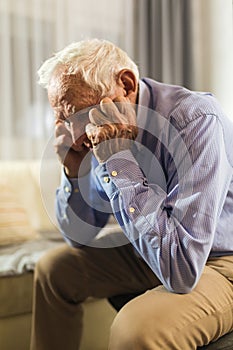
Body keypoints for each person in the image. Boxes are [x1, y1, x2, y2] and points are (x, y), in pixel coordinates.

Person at [30, 39, 233, 350]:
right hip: (152, 254)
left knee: (134, 329)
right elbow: (78, 235)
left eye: (77, 115)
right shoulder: (94, 135)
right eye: (61, 118)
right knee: (54, 270)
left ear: (125, 85)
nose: (71, 135)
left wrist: (119, 162)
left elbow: (182, 269)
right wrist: (74, 172)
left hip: (217, 261)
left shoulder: (194, 119)